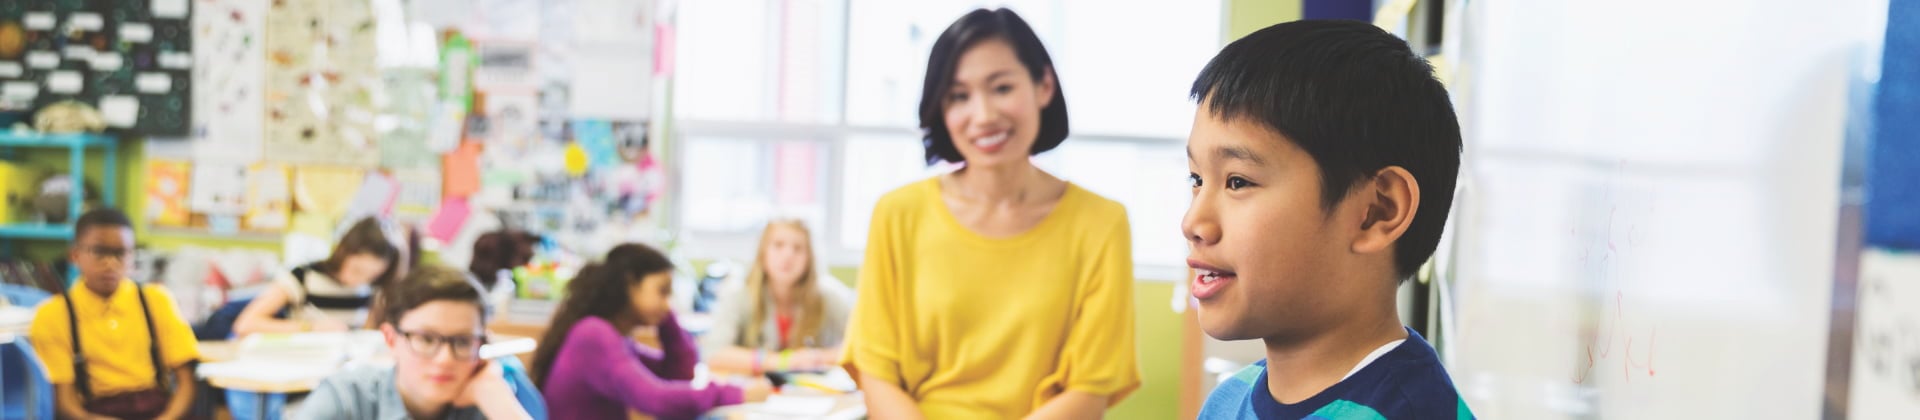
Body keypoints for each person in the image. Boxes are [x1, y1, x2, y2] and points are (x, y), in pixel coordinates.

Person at [841, 8, 1140, 419]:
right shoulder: (897, 214)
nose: (982, 115)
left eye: (1001, 88)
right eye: (959, 96)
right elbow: (876, 373)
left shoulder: (1102, 223)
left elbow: (1090, 389)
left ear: (1044, 85)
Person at [1182, 20, 1474, 418]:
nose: (1194, 223)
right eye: (1197, 179)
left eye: (1238, 181)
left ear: (1376, 212)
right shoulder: (1230, 399)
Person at [532, 243, 770, 420]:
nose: (668, 304)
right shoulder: (593, 335)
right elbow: (656, 398)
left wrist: (666, 318)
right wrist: (737, 393)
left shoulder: (615, 337)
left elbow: (678, 374)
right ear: (629, 285)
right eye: (662, 291)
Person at [298, 264, 536, 420]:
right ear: (391, 339)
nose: (445, 359)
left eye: (463, 341)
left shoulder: (491, 399)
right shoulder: (348, 399)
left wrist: (500, 404)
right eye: (426, 339)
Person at [30, 209, 199, 419]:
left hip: (159, 410)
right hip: (95, 413)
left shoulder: (157, 300)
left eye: (121, 253)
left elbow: (187, 383)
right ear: (75, 255)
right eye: (99, 252)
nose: (111, 263)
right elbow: (65, 403)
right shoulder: (52, 314)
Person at [700, 220, 853, 374]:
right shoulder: (738, 293)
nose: (787, 255)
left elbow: (861, 346)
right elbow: (713, 354)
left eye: (798, 248)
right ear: (763, 252)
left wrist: (818, 357)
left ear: (810, 258)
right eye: (778, 245)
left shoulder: (830, 295)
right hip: (756, 392)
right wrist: (783, 361)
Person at [234, 217, 402, 336]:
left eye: (371, 276)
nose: (359, 281)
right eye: (357, 270)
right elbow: (245, 324)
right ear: (344, 252)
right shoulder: (303, 276)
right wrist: (309, 328)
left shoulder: (369, 289)